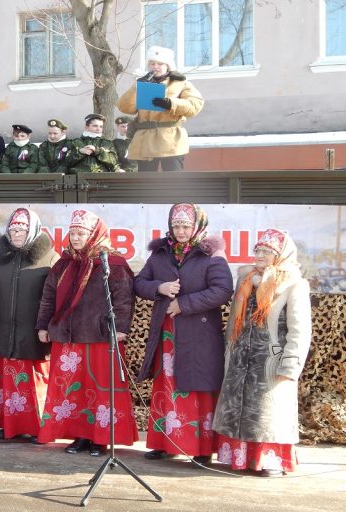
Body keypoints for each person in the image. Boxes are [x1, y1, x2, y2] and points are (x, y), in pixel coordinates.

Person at [134, 204, 233, 465]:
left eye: (186, 226)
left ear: (197, 226)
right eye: (176, 225)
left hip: (198, 334)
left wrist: (184, 304)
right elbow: (139, 283)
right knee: (166, 386)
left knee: (197, 388)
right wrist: (160, 287)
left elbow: (223, 290)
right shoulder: (160, 253)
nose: (180, 231)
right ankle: (164, 444)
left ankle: (201, 449)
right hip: (167, 334)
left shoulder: (212, 254)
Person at [35, 210, 137, 454]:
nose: (76, 237)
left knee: (100, 388)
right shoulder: (64, 263)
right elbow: (48, 297)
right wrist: (43, 325)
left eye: (81, 233)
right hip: (68, 337)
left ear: (94, 234)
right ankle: (80, 435)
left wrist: (121, 328)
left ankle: (100, 439)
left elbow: (123, 298)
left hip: (100, 337)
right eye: (72, 232)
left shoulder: (112, 263)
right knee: (73, 390)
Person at [212, 229, 312, 476]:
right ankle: (239, 458)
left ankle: (269, 461)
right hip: (240, 356)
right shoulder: (245, 280)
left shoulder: (294, 284)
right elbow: (235, 319)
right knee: (236, 408)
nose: (260, 256)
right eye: (258, 251)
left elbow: (300, 329)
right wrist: (229, 351)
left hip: (271, 359)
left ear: (280, 256)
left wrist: (290, 364)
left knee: (268, 413)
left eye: (267, 252)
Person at [0, 208, 59, 440]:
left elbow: (56, 299)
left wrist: (49, 327)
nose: (17, 233)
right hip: (3, 330)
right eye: (13, 229)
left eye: (22, 229)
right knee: (8, 380)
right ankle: (11, 425)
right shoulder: (0, 257)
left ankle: (36, 426)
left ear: (33, 230)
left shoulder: (50, 258)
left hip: (33, 333)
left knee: (34, 380)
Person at [117, 46, 204, 172]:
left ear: (167, 65)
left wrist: (170, 104)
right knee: (146, 182)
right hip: (145, 140)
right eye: (152, 63)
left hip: (170, 140)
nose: (155, 66)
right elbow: (124, 107)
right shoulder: (142, 83)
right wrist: (135, 88)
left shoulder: (180, 83)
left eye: (159, 63)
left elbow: (195, 105)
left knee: (172, 181)